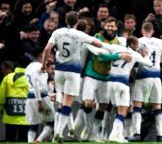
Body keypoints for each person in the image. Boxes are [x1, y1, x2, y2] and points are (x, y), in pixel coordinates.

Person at [41, 11, 103, 142]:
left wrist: (43, 65)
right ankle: (58, 133)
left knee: (60, 102)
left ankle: (60, 133)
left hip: (59, 71)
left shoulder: (57, 32)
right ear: (77, 22)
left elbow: (47, 49)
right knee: (67, 103)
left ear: (65, 20)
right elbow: (98, 44)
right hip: (73, 72)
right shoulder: (79, 34)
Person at [103, 36, 153, 143]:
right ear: (133, 45)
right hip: (122, 83)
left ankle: (118, 135)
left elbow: (103, 46)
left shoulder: (117, 48)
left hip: (110, 83)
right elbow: (149, 64)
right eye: (137, 44)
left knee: (117, 110)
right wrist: (146, 55)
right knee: (123, 111)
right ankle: (113, 135)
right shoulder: (134, 54)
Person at [25, 47, 55, 143]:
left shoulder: (28, 67)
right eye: (46, 53)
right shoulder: (40, 67)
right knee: (52, 121)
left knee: (34, 124)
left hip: (29, 97)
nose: (48, 55)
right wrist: (39, 102)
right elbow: (36, 84)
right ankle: (39, 140)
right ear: (41, 55)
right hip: (41, 97)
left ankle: (30, 142)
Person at [0, 55, 31, 142]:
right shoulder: (31, 78)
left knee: (10, 139)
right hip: (26, 115)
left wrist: (1, 107)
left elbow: (2, 95)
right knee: (24, 139)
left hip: (10, 114)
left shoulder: (8, 77)